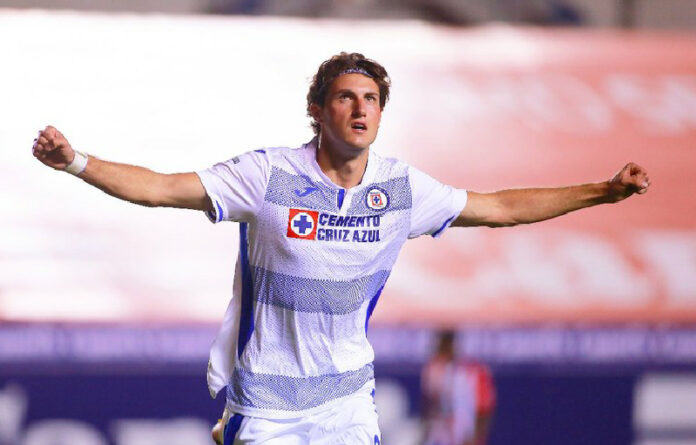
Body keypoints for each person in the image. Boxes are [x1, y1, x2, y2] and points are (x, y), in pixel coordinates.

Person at [31, 52, 650, 445]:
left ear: (381, 115)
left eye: (371, 100)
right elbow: (164, 190)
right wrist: (75, 162)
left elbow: (501, 208)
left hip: (348, 401)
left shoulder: (402, 189)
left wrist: (603, 192)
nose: (361, 109)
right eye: (346, 97)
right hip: (267, 404)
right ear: (317, 111)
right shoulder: (268, 176)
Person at [421, 330, 495, 445]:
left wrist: (474, 437)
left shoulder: (472, 372)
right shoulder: (433, 370)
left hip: (464, 435)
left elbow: (484, 411)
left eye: (444, 345)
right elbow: (429, 407)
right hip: (441, 436)